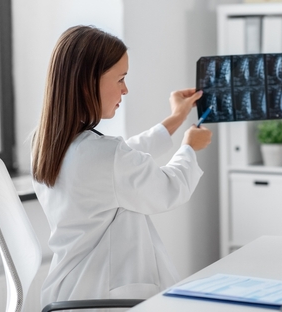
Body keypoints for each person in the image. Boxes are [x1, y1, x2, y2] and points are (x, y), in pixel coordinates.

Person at [31, 25, 212, 307]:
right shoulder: (105, 155)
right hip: (105, 299)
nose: (125, 89)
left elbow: (121, 157)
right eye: (120, 79)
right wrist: (189, 147)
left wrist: (177, 118)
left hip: (67, 293)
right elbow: (168, 189)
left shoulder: (45, 142)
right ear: (86, 82)